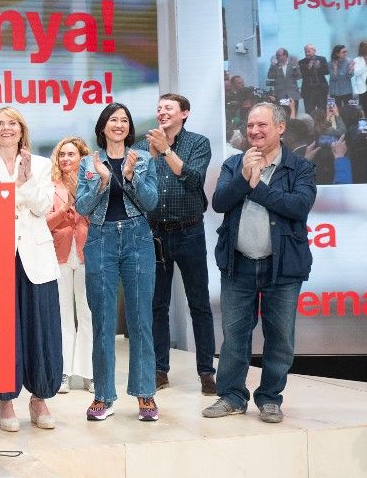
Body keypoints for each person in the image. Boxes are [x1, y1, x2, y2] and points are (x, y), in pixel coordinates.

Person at [203, 102, 316, 423]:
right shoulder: (234, 163)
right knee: (234, 334)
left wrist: (258, 188)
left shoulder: (299, 167)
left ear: (280, 128)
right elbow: (220, 201)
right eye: (251, 125)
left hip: (283, 267)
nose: (254, 131)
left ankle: (269, 398)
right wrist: (244, 178)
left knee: (280, 337)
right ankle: (231, 397)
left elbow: (299, 206)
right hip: (238, 265)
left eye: (262, 125)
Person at [0, 107, 62, 431]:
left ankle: (39, 397)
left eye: (12, 123)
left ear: (22, 130)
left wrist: (24, 183)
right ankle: (5, 400)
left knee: (41, 326)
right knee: (3, 328)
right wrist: (22, 195)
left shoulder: (40, 165)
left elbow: (42, 206)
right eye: (0, 124)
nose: (6, 128)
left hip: (35, 256)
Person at [75, 103, 159, 422]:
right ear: (103, 127)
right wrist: (101, 181)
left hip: (138, 237)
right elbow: (82, 207)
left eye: (125, 120)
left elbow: (151, 202)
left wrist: (128, 176)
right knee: (104, 320)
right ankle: (103, 396)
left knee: (140, 319)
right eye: (113, 120)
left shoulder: (144, 160)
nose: (119, 125)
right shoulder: (88, 162)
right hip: (100, 239)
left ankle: (145, 394)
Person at [134, 94, 216, 395]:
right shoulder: (143, 147)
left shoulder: (198, 143)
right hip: (155, 233)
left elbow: (194, 180)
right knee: (157, 305)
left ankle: (207, 371)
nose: (161, 112)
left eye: (168, 108)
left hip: (189, 231)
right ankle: (159, 369)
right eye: (158, 108)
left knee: (199, 304)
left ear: (184, 114)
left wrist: (166, 150)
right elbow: (137, 188)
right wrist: (151, 156)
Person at [46, 137, 93, 394]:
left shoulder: (93, 183)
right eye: (62, 154)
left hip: (87, 255)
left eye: (71, 154)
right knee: (63, 316)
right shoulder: (49, 187)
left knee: (87, 314)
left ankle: (88, 373)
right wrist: (65, 208)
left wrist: (81, 196)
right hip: (59, 255)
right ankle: (63, 372)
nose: (65, 158)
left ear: (81, 157)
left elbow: (97, 216)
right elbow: (45, 223)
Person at [265, 48, 301, 118]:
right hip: (281, 95)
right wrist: (272, 65)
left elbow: (299, 76)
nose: (277, 57)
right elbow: (270, 76)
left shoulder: (293, 65)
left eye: (279, 55)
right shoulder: (275, 66)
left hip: (292, 95)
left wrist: (295, 68)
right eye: (276, 55)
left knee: (293, 115)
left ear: (285, 56)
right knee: (282, 115)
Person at [327, 45, 356, 127]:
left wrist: (351, 69)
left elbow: (349, 76)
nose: (346, 53)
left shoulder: (349, 61)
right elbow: (333, 78)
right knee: (336, 111)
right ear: (337, 54)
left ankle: (350, 127)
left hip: (347, 90)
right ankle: (340, 127)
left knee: (350, 110)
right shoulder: (330, 63)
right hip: (334, 91)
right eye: (343, 52)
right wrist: (335, 68)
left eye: (346, 51)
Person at [298, 44, 329, 117]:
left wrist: (319, 67)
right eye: (305, 51)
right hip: (308, 91)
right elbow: (302, 75)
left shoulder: (322, 59)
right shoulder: (301, 62)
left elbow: (327, 72)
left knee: (322, 112)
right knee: (309, 112)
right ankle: (310, 128)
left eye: (308, 51)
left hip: (321, 90)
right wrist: (309, 67)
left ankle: (322, 127)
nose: (306, 53)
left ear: (314, 51)